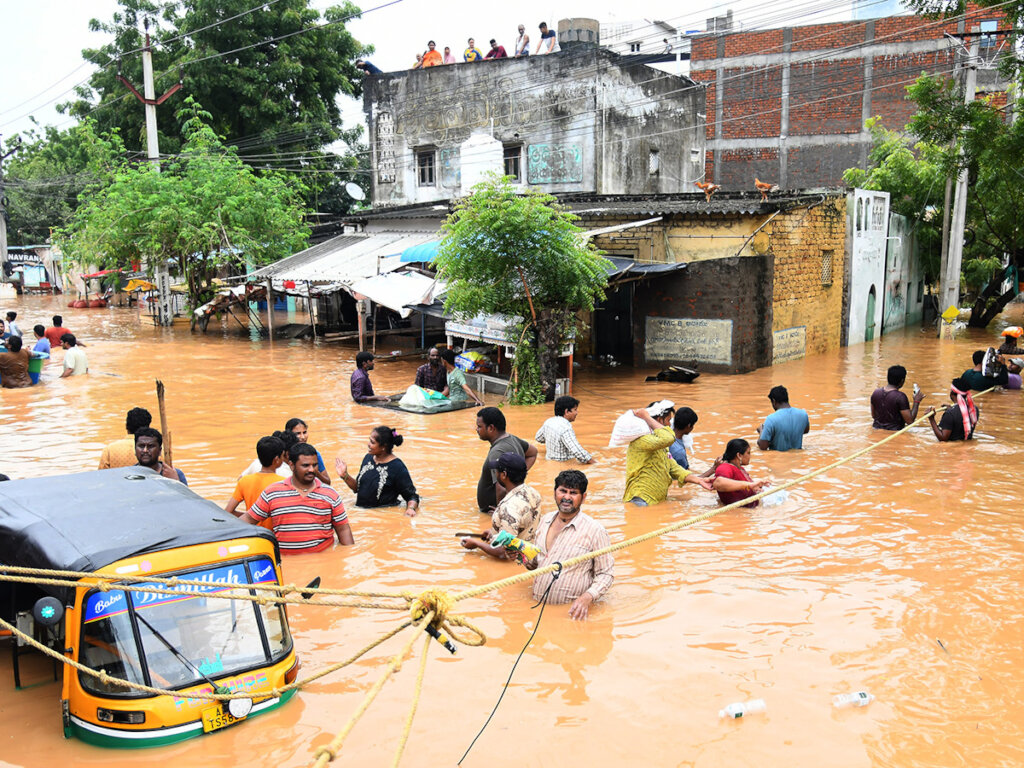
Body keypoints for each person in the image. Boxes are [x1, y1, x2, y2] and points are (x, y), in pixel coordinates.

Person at [526, 470, 613, 620]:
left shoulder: (595, 530)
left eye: (573, 493)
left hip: (572, 615)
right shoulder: (545, 520)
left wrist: (587, 598)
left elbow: (606, 574)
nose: (566, 497)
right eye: (563, 491)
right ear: (555, 492)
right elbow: (535, 563)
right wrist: (520, 555)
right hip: (537, 610)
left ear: (583, 497)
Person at [243, 443, 354, 553]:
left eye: (315, 465)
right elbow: (248, 520)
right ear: (291, 465)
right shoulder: (272, 492)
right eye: (305, 465)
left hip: (322, 559)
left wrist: (348, 554)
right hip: (285, 560)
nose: (312, 470)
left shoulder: (330, 494)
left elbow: (343, 529)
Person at [624, 403, 714, 505]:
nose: (670, 425)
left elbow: (675, 468)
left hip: (654, 500)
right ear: (659, 420)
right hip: (640, 500)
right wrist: (646, 417)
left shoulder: (660, 445)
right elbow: (669, 437)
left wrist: (699, 480)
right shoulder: (642, 440)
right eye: (668, 420)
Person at [461, 453, 542, 560]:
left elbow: (503, 553)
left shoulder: (508, 508)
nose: (495, 473)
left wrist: (476, 543)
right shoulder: (532, 492)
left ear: (504, 475)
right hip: (531, 555)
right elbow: (523, 525)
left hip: (517, 561)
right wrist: (494, 532)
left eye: (496, 471)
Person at [336, 426, 419, 515]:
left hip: (383, 516)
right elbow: (358, 488)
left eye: (372, 442)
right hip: (361, 514)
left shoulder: (397, 467)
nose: (368, 444)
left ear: (383, 446)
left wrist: (411, 509)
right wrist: (345, 476)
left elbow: (412, 496)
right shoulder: (368, 458)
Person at [476, 406, 538, 513]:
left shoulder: (496, 452)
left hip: (495, 511)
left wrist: (501, 512)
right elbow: (533, 453)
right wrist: (519, 474)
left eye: (479, 426)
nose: (477, 430)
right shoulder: (512, 439)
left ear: (491, 428)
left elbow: (500, 488)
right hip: (513, 505)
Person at [225, 435, 287, 523]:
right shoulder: (284, 483)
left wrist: (249, 517)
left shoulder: (244, 481)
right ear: (276, 459)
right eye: (283, 456)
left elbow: (228, 511)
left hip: (252, 529)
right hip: (273, 531)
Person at [535, 395, 593, 463]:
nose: (576, 413)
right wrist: (595, 463)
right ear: (566, 411)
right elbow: (578, 452)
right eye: (575, 410)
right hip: (564, 463)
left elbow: (538, 438)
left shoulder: (548, 422)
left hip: (549, 461)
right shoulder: (565, 428)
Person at [713, 439, 769, 508]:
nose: (750, 456)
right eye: (748, 453)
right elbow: (718, 483)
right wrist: (749, 485)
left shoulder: (741, 469)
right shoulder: (725, 467)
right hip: (738, 512)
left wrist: (758, 486)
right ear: (739, 455)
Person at [870, 365, 925, 430]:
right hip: (895, 432)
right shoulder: (900, 397)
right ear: (902, 381)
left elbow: (873, 415)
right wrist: (916, 401)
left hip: (876, 429)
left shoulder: (876, 393)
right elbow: (910, 421)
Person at [757, 385, 809, 451]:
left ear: (774, 401)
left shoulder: (771, 419)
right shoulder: (803, 414)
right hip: (798, 455)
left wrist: (761, 431)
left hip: (778, 456)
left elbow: (763, 447)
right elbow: (805, 431)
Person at [285, 417, 331, 484]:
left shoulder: (314, 454)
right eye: (298, 433)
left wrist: (315, 471)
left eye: (304, 432)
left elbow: (327, 482)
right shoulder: (284, 455)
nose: (303, 437)